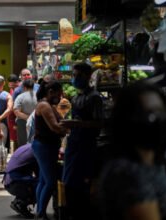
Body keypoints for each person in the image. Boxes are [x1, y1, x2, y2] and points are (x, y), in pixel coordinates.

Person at [98, 83, 166, 220]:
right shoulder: (127, 173)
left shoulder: (152, 164)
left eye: (160, 113)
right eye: (149, 114)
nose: (156, 120)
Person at [61, 63, 103, 220]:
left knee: (82, 187)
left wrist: (77, 124)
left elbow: (99, 123)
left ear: (88, 76)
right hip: (73, 145)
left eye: (78, 75)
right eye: (73, 75)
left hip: (86, 146)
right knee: (69, 184)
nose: (75, 78)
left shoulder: (95, 98)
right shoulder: (77, 97)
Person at [32, 81, 67, 219]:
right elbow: (54, 127)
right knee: (51, 181)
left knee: (43, 180)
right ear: (51, 91)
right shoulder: (44, 106)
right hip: (44, 146)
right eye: (59, 93)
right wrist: (70, 128)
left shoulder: (48, 105)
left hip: (46, 146)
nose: (61, 95)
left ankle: (40, 211)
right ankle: (41, 213)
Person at [3, 143, 39, 219]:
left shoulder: (28, 147)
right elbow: (40, 174)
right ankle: (21, 203)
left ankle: (19, 201)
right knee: (41, 185)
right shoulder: (36, 151)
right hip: (14, 182)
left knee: (35, 181)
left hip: (9, 181)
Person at [14, 79, 38, 147]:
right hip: (36, 122)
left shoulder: (20, 97)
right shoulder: (39, 96)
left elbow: (16, 111)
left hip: (22, 122)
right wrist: (32, 118)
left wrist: (28, 117)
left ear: (24, 87)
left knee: (23, 144)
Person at [8, 74, 20, 153]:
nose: (10, 85)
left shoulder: (18, 90)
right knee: (14, 138)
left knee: (18, 137)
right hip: (12, 117)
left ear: (16, 83)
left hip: (17, 117)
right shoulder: (12, 90)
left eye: (11, 83)